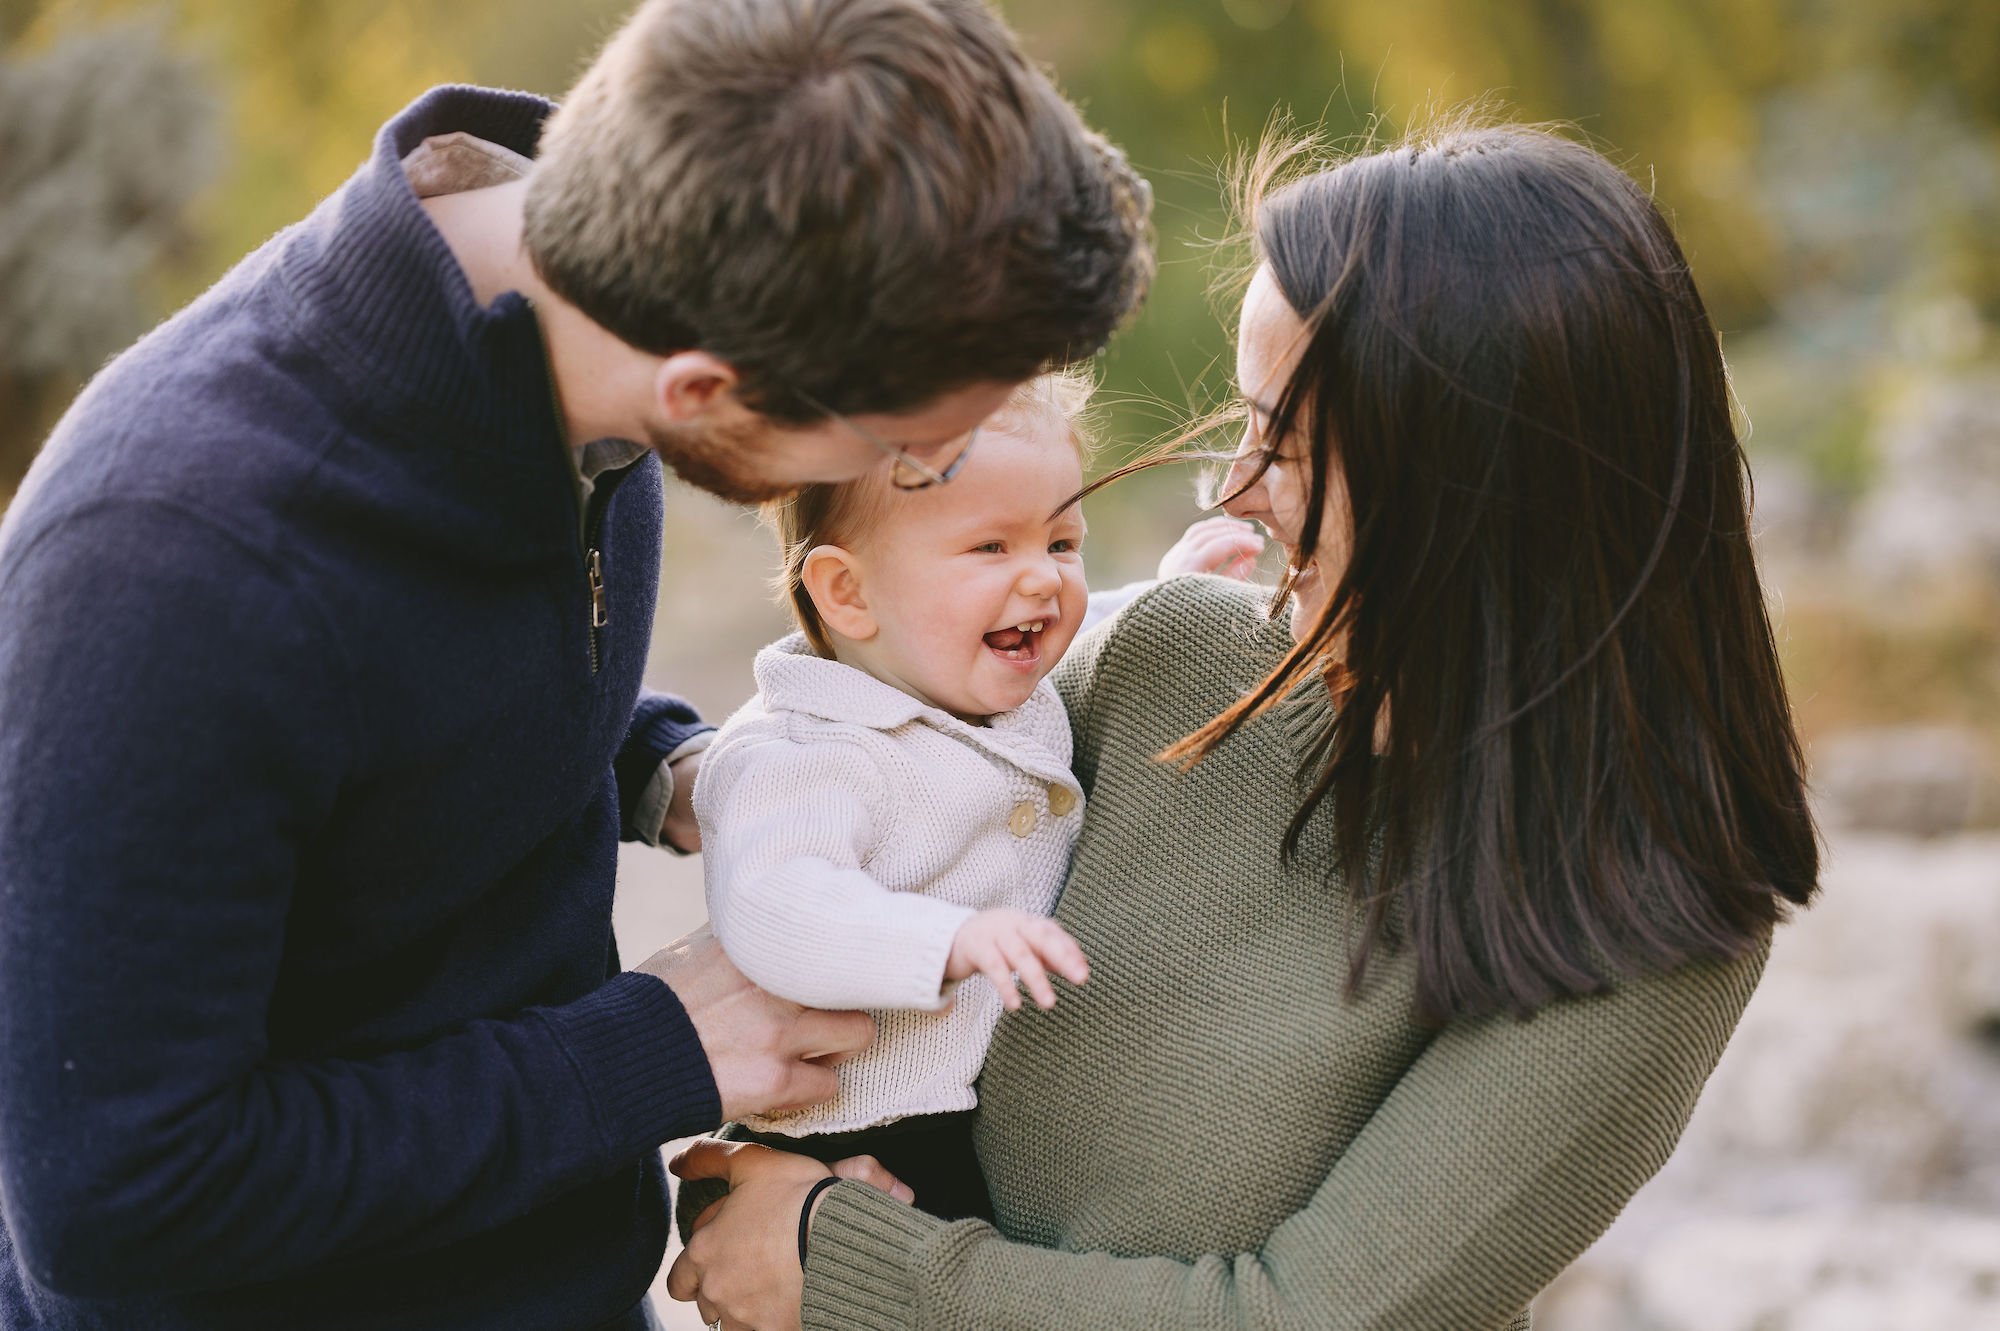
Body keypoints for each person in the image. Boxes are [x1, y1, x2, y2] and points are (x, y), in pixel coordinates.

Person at [0, 1, 1151, 1328]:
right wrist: (649, 1051)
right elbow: (122, 1196)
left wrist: (668, 759)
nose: (899, 483)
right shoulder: (173, 567)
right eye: (903, 451)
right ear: (707, 394)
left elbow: (404, 703)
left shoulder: (593, 326)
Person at [664, 117, 1820, 1331]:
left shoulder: (1645, 917)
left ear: (1469, 477)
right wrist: (742, 1168)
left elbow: (1305, 1314)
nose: (1232, 488)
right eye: (1242, 419)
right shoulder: (1170, 655)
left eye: (1290, 442)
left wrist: (835, 1262)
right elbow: (842, 750)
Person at [694, 371, 1103, 1225]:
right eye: (992, 548)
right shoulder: (806, 751)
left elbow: (1089, 631)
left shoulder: (967, 677)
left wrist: (1171, 586)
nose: (1043, 582)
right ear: (847, 592)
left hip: (963, 1116)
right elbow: (775, 905)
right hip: (854, 1132)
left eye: (1061, 544)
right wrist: (946, 937)